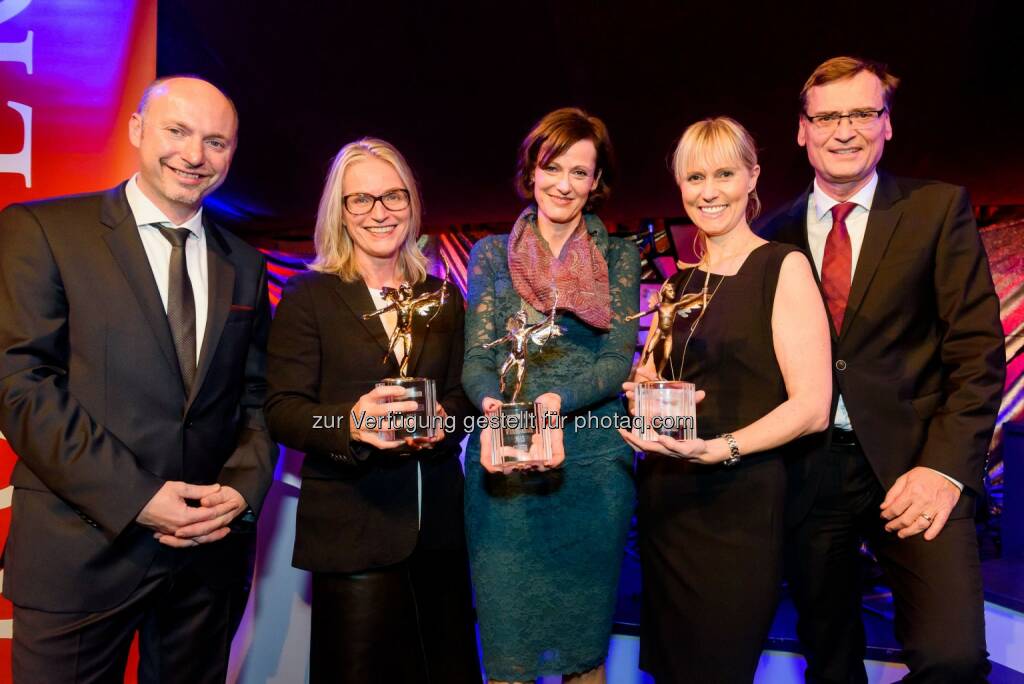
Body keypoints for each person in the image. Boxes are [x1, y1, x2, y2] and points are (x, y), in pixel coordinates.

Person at [0, 76, 277, 683]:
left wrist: (244, 489)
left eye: (215, 142)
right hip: (80, 553)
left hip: (207, 557)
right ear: (136, 130)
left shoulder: (247, 265)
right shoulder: (43, 231)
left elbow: (257, 400)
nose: (194, 155)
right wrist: (140, 499)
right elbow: (22, 387)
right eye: (177, 131)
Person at [762, 56, 1005, 682]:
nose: (845, 130)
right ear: (802, 130)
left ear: (887, 125)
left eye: (863, 113)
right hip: (810, 474)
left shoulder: (937, 210)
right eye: (827, 116)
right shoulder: (769, 235)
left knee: (952, 659)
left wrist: (946, 469)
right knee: (831, 662)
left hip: (920, 466)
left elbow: (976, 355)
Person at [618, 116, 832, 683]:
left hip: (739, 504)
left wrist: (723, 449)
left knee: (719, 667)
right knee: (672, 668)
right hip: (669, 500)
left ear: (752, 177)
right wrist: (641, 393)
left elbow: (812, 406)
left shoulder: (780, 268)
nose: (708, 191)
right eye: (694, 178)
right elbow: (655, 376)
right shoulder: (676, 284)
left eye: (724, 174)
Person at [264, 138, 480, 684]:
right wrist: (350, 423)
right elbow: (286, 411)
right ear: (339, 210)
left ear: (412, 204)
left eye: (393, 196)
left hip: (439, 534)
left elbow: (462, 398)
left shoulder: (444, 297)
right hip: (353, 533)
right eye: (361, 200)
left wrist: (443, 425)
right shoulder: (309, 295)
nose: (379, 212)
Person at [462, 107, 640, 683]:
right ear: (531, 171)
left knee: (584, 653)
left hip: (590, 469)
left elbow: (617, 362)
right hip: (503, 467)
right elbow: (477, 359)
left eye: (580, 172)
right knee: (508, 648)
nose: (564, 184)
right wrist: (496, 409)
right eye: (552, 167)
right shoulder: (491, 253)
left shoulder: (619, 256)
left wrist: (555, 403)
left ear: (597, 182)